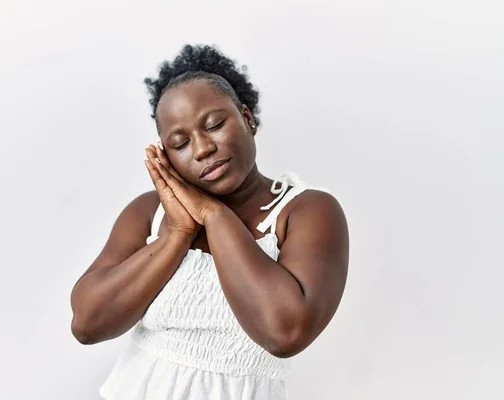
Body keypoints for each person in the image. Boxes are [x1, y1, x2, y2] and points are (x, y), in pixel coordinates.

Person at [70, 44, 349, 400]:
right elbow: (87, 324)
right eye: (180, 142)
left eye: (214, 125)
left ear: (247, 118)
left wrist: (214, 215)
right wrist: (176, 234)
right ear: (166, 156)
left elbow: (285, 332)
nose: (202, 149)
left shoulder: (306, 211)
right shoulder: (149, 214)